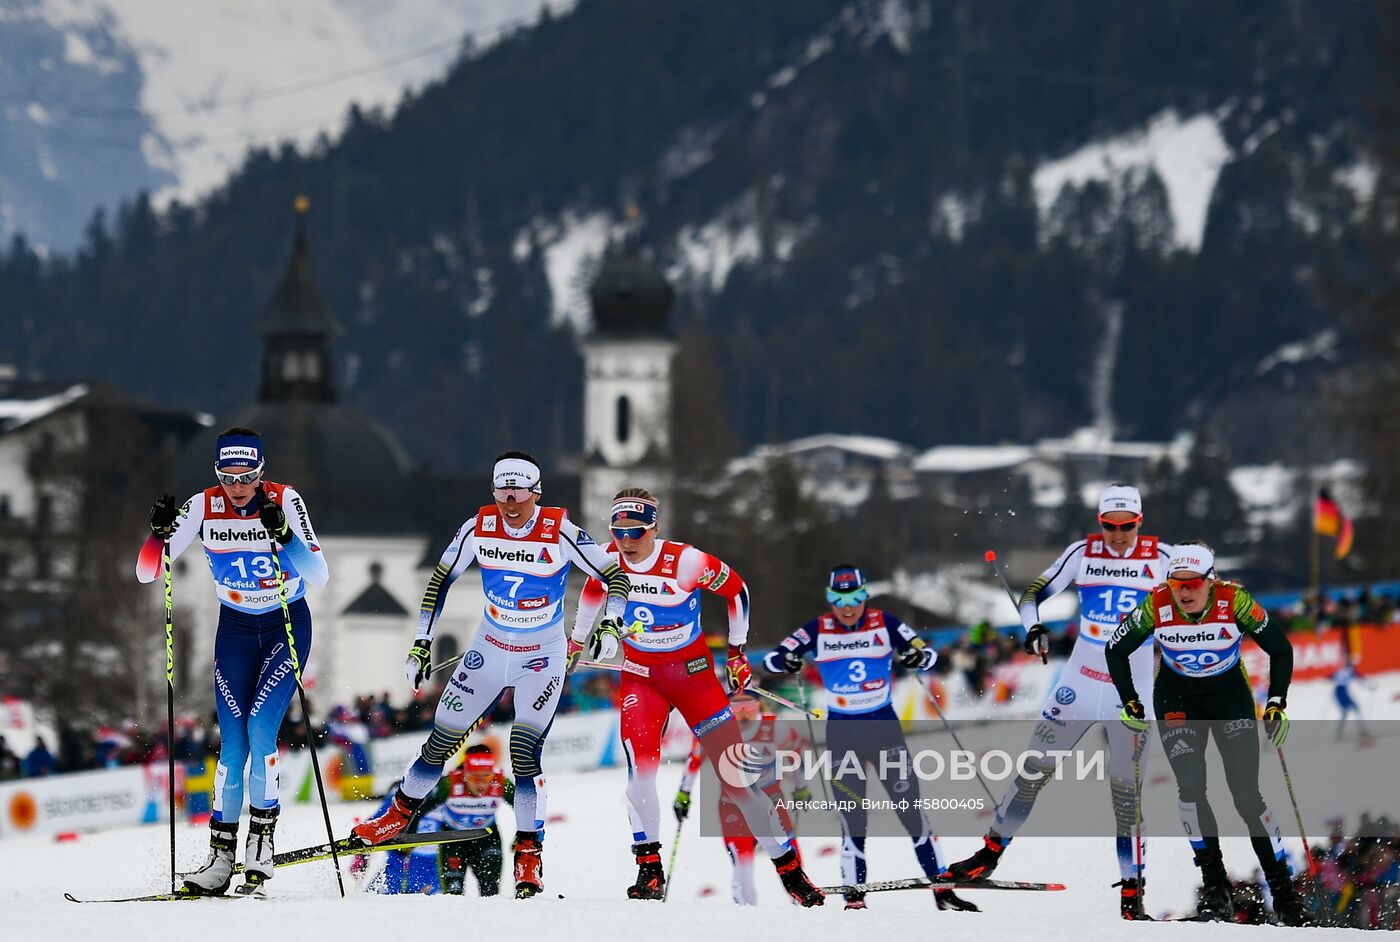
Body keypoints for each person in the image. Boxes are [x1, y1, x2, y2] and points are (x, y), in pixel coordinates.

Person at [349, 452, 630, 899]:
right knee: (440, 741)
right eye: (503, 491)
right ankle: (397, 816)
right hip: (489, 650)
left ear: (536, 492)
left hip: (542, 656)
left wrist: (611, 624)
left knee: (522, 752)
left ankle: (529, 853)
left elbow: (615, 575)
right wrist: (422, 642)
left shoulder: (559, 531)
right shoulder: (478, 527)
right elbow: (439, 581)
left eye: (519, 492)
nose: (511, 501)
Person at [569, 488, 824, 906]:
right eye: (618, 532)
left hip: (693, 678)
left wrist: (738, 652)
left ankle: (790, 870)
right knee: (641, 775)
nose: (626, 541)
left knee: (738, 781)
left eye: (634, 531)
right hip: (641, 678)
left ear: (653, 527)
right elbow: (593, 591)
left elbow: (737, 591)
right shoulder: (607, 557)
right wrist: (576, 641)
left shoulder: (685, 561)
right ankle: (649, 869)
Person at [942, 483, 1172, 920]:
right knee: (1032, 773)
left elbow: (1202, 591)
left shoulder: (1164, 559)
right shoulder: (1081, 553)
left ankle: (1131, 893)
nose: (1118, 534)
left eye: (1127, 526)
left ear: (1140, 521)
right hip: (1078, 684)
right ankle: (987, 856)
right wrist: (1033, 630)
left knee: (1127, 797)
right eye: (1109, 525)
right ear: (1100, 522)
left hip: (1133, 694)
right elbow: (1032, 595)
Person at [137, 427, 328, 895]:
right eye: (228, 476)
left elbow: (318, 574)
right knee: (234, 743)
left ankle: (261, 844)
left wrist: (283, 533)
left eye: (246, 477)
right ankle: (221, 857)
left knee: (263, 730)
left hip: (285, 625)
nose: (237, 487)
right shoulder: (203, 505)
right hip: (236, 629)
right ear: (217, 473)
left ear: (261, 472)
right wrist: (158, 535)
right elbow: (147, 572)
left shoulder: (284, 499)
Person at [1105, 542, 1310, 925]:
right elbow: (1114, 650)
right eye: (1176, 582)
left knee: (1246, 795)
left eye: (1193, 583)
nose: (1184, 591)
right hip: (1177, 699)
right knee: (1191, 786)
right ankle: (1216, 888)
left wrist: (1277, 703)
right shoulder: (1156, 605)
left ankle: (1283, 893)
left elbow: (1280, 650)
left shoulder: (1236, 601)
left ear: (1210, 581)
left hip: (1229, 697)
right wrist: (1129, 701)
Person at [764, 564, 972, 912]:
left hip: (884, 729)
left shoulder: (886, 622)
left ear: (865, 596)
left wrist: (916, 655)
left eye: (856, 598)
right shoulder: (817, 629)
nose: (848, 608)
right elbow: (772, 659)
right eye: (839, 600)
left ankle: (942, 889)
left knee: (912, 813)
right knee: (852, 820)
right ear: (830, 600)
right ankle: (854, 897)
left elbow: (930, 655)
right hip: (843, 733)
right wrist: (787, 660)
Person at [673, 692, 808, 905]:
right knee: (742, 863)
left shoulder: (776, 727)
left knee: (789, 852)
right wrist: (684, 793)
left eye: (749, 704)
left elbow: (796, 755)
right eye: (735, 706)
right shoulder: (715, 728)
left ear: (759, 704)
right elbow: (694, 760)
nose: (743, 711)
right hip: (733, 805)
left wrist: (801, 787)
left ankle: (802, 902)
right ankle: (746, 915)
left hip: (772, 800)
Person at [420, 743, 513, 896]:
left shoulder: (501, 782)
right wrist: (406, 831)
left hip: (487, 838)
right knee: (452, 894)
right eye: (475, 778)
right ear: (465, 774)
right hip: (453, 840)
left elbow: (524, 807)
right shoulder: (450, 783)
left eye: (487, 777)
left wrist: (524, 835)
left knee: (490, 892)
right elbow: (422, 808)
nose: (481, 783)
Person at [1332, 657, 1373, 741]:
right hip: (1343, 692)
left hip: (1337, 692)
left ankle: (1339, 734)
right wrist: (1370, 687)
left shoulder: (1340, 671)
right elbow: (1361, 679)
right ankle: (1362, 730)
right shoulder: (1350, 671)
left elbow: (1331, 677)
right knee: (1356, 708)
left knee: (1345, 712)